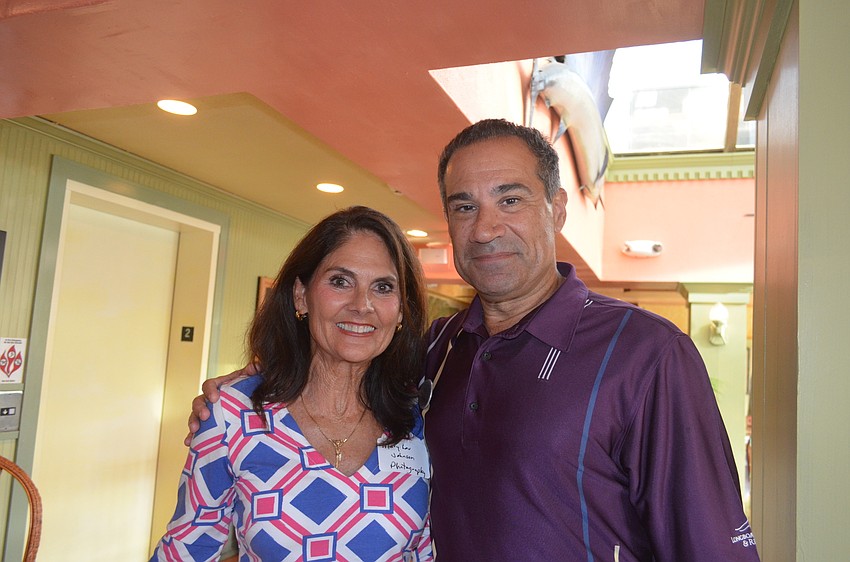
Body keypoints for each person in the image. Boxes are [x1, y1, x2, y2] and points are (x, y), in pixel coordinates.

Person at [190, 119, 760, 561]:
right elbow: (339, 359)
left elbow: (709, 543)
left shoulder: (645, 353)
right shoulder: (434, 352)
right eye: (465, 207)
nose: (486, 229)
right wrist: (245, 389)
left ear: (556, 209)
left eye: (510, 200)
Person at [153, 206, 432, 561]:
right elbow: (186, 550)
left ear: (401, 310)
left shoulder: (415, 418)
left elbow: (428, 550)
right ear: (301, 295)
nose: (363, 305)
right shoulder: (231, 414)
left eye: (383, 287)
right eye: (340, 281)